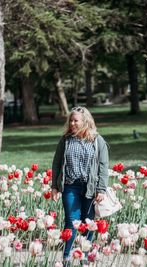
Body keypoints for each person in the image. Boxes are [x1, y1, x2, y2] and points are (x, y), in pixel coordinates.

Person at [51, 106, 109, 265]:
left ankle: (85, 257)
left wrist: (101, 189)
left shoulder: (97, 140)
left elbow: (104, 166)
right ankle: (66, 257)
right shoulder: (65, 140)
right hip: (70, 186)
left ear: (85, 122)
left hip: (90, 187)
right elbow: (56, 163)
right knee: (71, 220)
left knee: (88, 223)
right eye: (71, 120)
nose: (72, 123)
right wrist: (54, 186)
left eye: (76, 120)